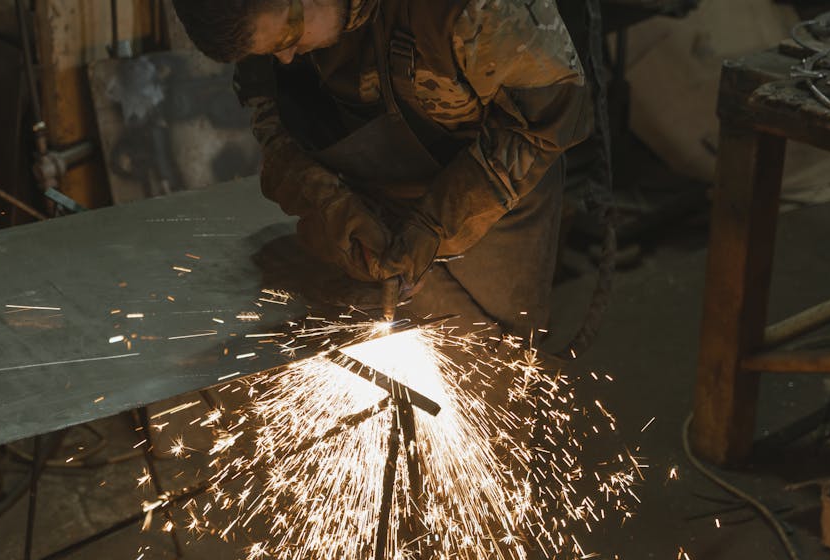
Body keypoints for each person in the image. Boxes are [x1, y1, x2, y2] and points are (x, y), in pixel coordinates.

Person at [171, 0, 592, 336]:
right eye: (269, 50)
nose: (284, 56)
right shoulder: (261, 19)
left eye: (290, 36)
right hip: (371, 185)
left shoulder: (474, 9)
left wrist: (435, 223)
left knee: (496, 365)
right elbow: (272, 122)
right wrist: (328, 202)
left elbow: (543, 125)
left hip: (495, 188)